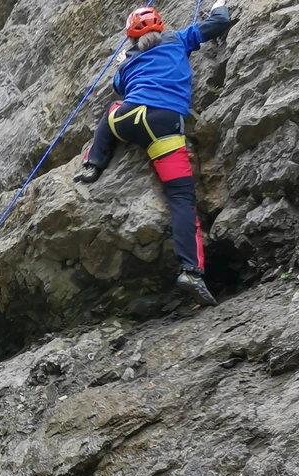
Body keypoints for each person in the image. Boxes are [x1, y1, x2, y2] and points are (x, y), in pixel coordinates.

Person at [74, 1, 232, 306]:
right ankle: (191, 271)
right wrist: (219, 7)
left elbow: (119, 86)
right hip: (164, 125)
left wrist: (125, 59)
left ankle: (93, 164)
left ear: (131, 38)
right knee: (181, 198)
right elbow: (218, 24)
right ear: (160, 27)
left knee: (111, 112)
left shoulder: (128, 62)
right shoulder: (178, 39)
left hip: (130, 118)